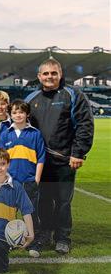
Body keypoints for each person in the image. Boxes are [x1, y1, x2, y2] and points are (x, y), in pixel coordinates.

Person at [25, 58, 94, 254]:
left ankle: (63, 237)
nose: (49, 77)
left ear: (60, 74)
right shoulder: (32, 98)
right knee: (43, 200)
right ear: (39, 76)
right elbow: (20, 121)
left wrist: (78, 153)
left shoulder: (73, 95)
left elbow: (85, 125)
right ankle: (45, 233)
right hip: (40, 161)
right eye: (45, 73)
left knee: (63, 202)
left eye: (53, 73)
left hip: (65, 160)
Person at [0, 99, 45, 257]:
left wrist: (37, 178)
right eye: (14, 112)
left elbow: (41, 158)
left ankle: (34, 242)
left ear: (27, 114)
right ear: (10, 115)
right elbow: (0, 159)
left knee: (31, 212)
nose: (18, 115)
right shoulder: (6, 134)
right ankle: (10, 241)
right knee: (9, 213)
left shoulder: (35, 133)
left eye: (21, 112)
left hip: (29, 180)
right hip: (10, 181)